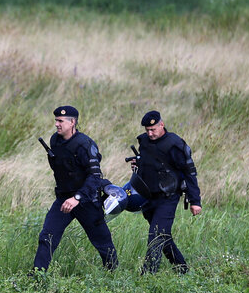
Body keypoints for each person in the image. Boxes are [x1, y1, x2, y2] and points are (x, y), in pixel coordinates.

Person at [32, 106, 118, 272]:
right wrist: (68, 197)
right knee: (47, 237)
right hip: (64, 199)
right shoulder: (55, 141)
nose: (57, 124)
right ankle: (37, 276)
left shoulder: (84, 144)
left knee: (102, 242)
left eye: (60, 121)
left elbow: (95, 177)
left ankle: (113, 275)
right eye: (56, 120)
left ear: (72, 122)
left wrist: (77, 198)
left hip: (86, 200)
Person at [130, 110, 202, 274]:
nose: (150, 133)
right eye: (147, 130)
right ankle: (182, 270)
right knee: (164, 236)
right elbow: (147, 164)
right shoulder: (145, 142)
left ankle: (148, 275)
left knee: (156, 235)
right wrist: (137, 164)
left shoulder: (174, 144)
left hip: (168, 197)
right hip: (148, 198)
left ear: (161, 124)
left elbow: (190, 172)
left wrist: (195, 201)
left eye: (153, 129)